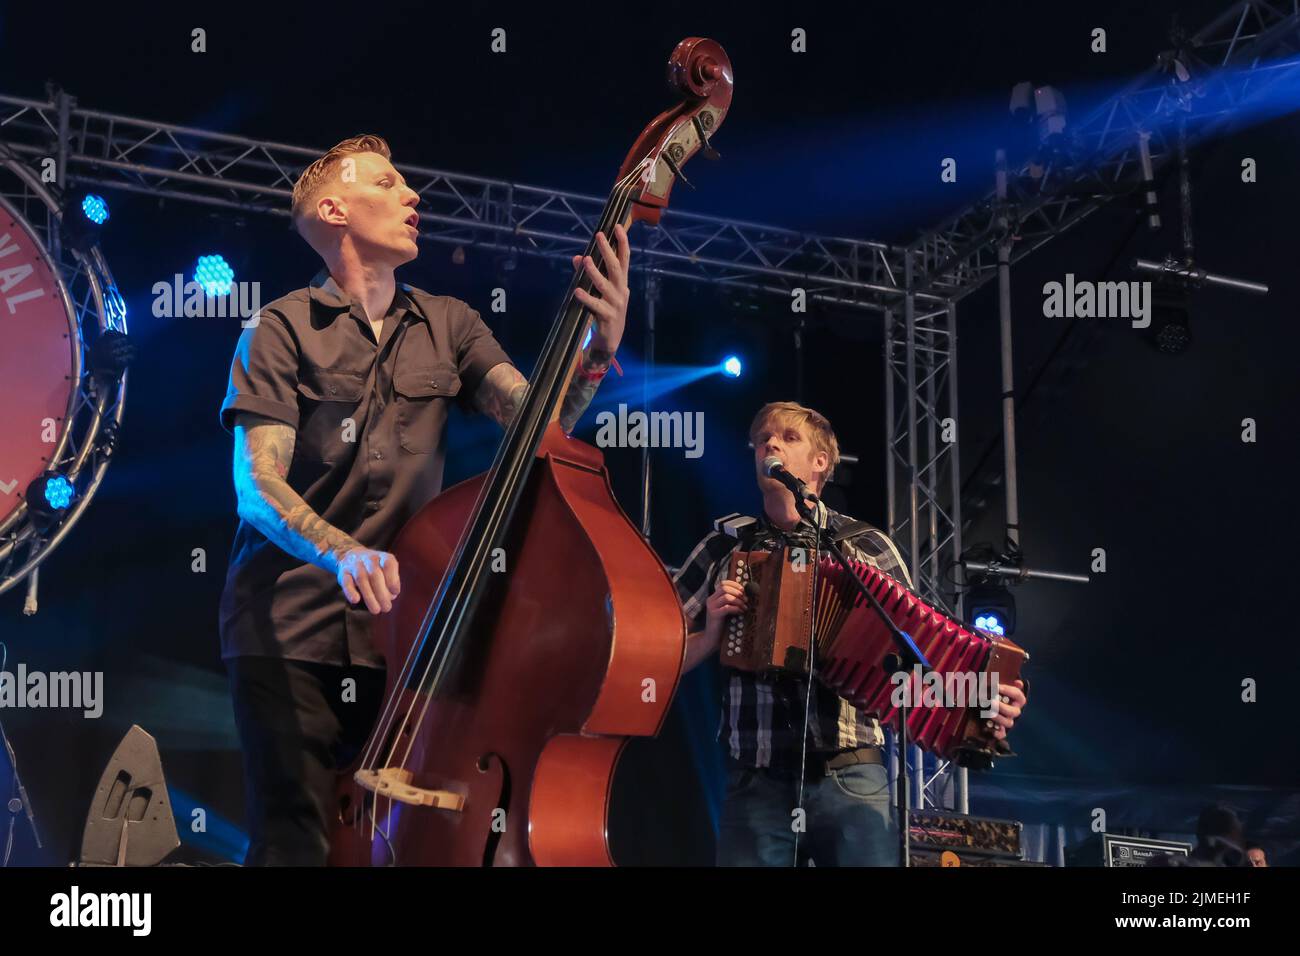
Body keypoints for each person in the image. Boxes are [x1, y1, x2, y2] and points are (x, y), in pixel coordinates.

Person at [218, 135, 630, 865]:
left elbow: (541, 426)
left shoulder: (452, 324)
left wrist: (596, 350)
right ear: (334, 209)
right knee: (295, 844)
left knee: (401, 843)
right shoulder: (277, 327)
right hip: (287, 632)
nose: (414, 196)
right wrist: (341, 550)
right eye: (389, 182)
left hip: (407, 639)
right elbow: (257, 484)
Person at [673, 401, 1027, 866]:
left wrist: (986, 699)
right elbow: (657, 657)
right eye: (762, 440)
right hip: (756, 780)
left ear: (820, 463)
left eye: (787, 437)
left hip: (853, 774)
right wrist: (713, 632)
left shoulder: (863, 547)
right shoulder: (724, 547)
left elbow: (924, 649)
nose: (770, 445)